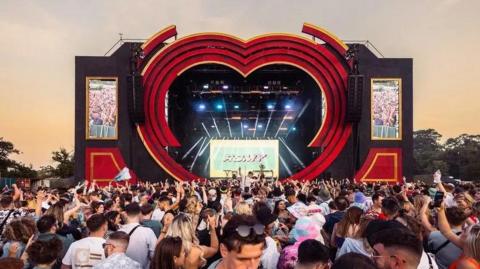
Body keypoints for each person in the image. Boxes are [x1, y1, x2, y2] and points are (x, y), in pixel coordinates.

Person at [118, 202, 157, 268]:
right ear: (140, 213)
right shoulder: (148, 232)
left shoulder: (118, 233)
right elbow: (155, 255)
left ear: (126, 214)